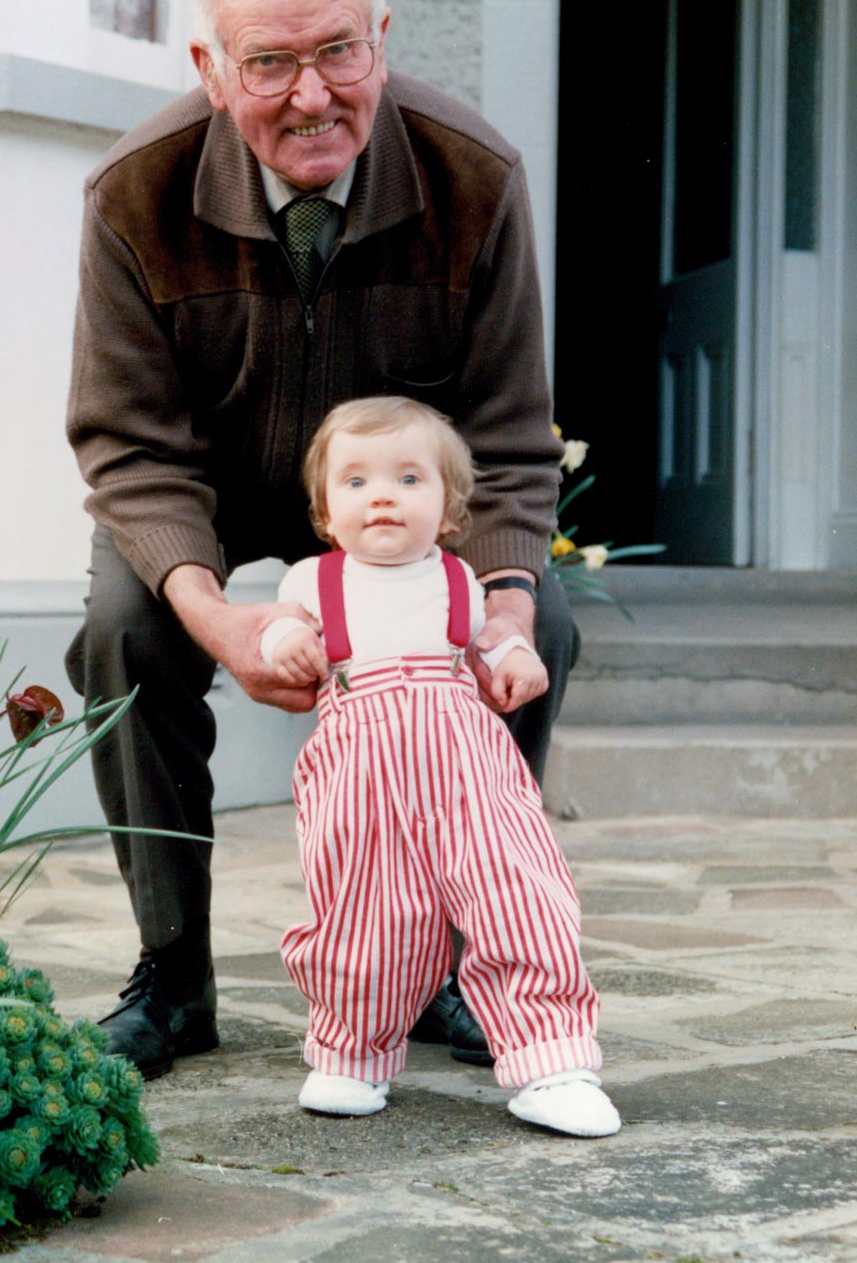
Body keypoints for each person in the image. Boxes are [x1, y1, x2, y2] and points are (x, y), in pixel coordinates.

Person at [65, 0, 579, 1082]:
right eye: (270, 63)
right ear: (209, 69)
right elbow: (129, 448)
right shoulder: (131, 193)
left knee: (536, 622)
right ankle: (174, 974)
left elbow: (504, 441)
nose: (313, 96)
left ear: (382, 41)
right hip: (211, 490)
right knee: (124, 631)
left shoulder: (474, 176)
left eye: (338, 51)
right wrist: (220, 617)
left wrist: (497, 609)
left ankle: (452, 961)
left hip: (397, 501)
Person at [259, 396, 618, 1136]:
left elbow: (491, 643)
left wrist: (515, 655)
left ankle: (550, 1059)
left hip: (466, 769)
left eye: (409, 478)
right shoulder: (313, 582)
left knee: (516, 891)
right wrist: (281, 647)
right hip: (360, 775)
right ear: (326, 513)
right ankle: (351, 1052)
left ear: (451, 510)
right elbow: (280, 632)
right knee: (367, 914)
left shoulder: (461, 581)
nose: (382, 494)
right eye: (355, 481)